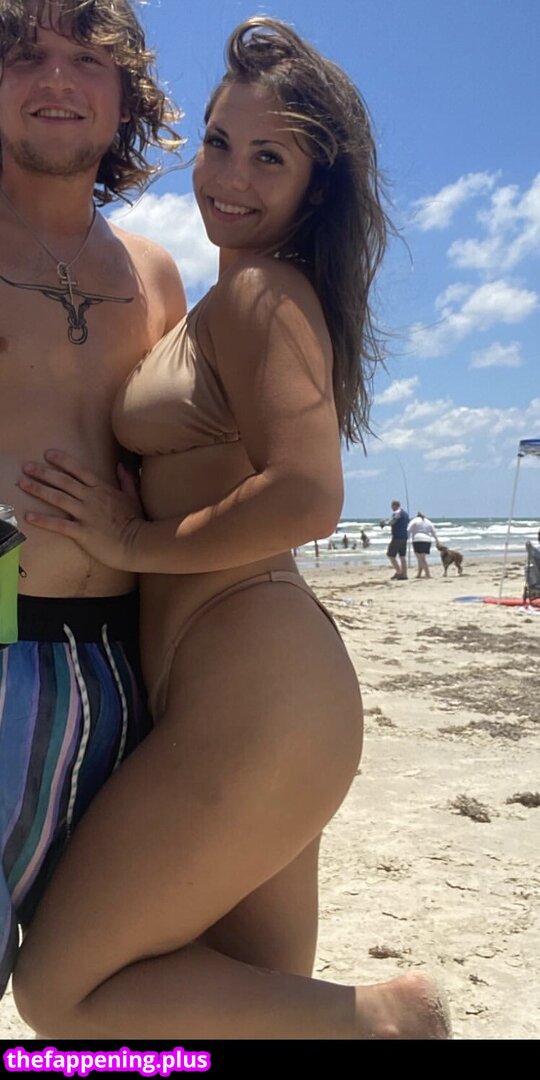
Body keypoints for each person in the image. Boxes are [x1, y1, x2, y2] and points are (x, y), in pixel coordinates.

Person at [14, 17, 450, 1039]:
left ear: (316, 187)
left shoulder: (261, 293)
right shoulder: (227, 296)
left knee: (58, 992)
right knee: (243, 1002)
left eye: (270, 157)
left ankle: (391, 1021)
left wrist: (131, 545)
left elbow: (307, 495)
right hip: (243, 693)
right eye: (219, 143)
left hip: (259, 695)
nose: (231, 177)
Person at [0, 0, 186, 999]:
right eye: (25, 57)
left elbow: (186, 464)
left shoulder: (155, 274)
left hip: (123, 665)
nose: (56, 79)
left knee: (111, 977)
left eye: (86, 58)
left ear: (126, 99)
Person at [381, 499, 409, 580]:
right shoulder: (406, 514)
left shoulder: (397, 513)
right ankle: (404, 574)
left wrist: (383, 523)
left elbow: (392, 522)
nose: (391, 508)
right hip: (404, 537)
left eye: (392, 506)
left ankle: (399, 572)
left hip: (397, 537)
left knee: (390, 554)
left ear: (395, 505)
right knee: (402, 556)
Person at [407, 512, 438, 579]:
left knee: (420, 559)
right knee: (421, 558)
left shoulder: (414, 520)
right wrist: (437, 541)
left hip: (418, 540)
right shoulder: (428, 521)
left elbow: (408, 530)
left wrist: (406, 538)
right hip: (427, 540)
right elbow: (433, 532)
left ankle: (428, 574)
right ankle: (419, 574)